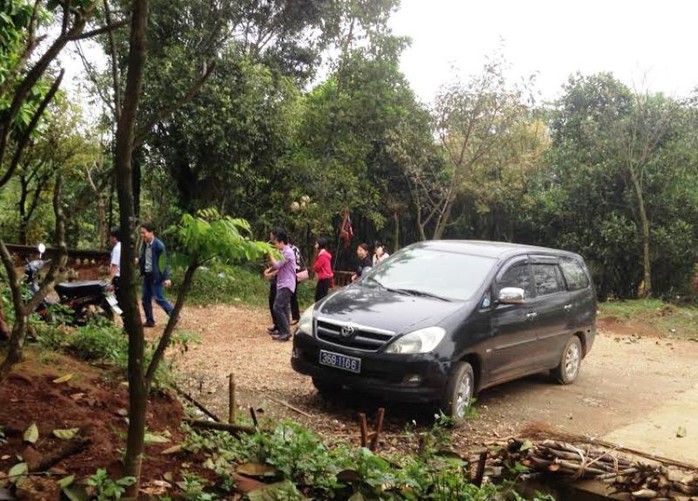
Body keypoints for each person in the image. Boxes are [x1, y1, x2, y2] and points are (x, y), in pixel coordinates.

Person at [138, 223, 174, 327]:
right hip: (147, 276)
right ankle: (150, 321)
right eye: (141, 233)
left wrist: (166, 278)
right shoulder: (145, 244)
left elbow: (164, 262)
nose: (142, 235)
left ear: (151, 232)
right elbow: (145, 258)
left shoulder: (159, 245)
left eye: (144, 233)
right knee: (145, 299)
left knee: (158, 298)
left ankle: (174, 316)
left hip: (156, 277)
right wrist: (139, 261)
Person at [265, 228, 296, 341]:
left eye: (275, 243)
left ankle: (285, 332)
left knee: (277, 306)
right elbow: (279, 268)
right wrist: (270, 273)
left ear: (281, 241)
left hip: (286, 284)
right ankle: (286, 331)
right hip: (284, 283)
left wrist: (269, 253)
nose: (275, 245)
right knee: (285, 308)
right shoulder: (284, 251)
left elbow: (277, 265)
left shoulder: (287, 252)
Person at [107, 227, 122, 307]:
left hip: (117, 277)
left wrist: (109, 279)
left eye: (110, 236)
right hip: (119, 277)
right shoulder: (121, 247)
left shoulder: (117, 249)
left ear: (114, 237)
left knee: (112, 297)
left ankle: (119, 313)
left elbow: (115, 266)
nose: (110, 239)